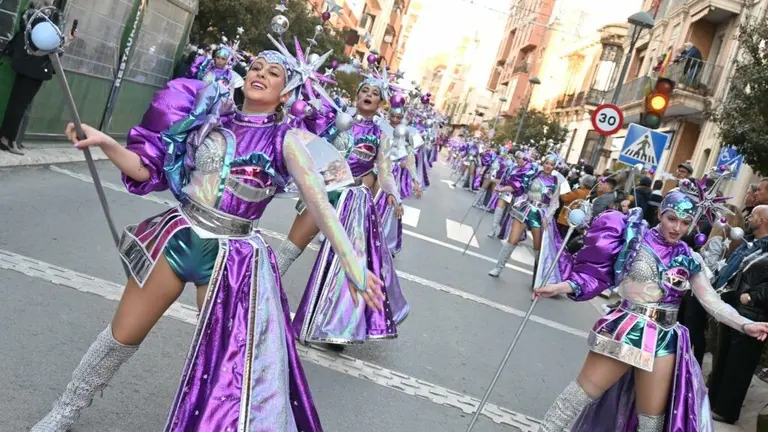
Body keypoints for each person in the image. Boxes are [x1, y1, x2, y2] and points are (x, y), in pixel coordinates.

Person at [32, 48, 385, 432]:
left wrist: (351, 263)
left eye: (273, 73)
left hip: (232, 258)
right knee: (121, 336)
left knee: (227, 364)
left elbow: (319, 202)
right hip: (179, 235)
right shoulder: (208, 119)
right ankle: (65, 411)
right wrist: (105, 142)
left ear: (286, 93)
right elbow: (146, 169)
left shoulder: (288, 140)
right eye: (256, 67)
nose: (261, 74)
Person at [533, 190, 768, 432]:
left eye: (685, 222)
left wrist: (744, 324)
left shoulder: (689, 257)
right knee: (576, 398)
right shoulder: (633, 239)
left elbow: (712, 301)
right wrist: (560, 287)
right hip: (626, 330)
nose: (677, 228)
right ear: (660, 214)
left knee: (651, 424)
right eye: (672, 218)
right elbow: (598, 275)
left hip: (664, 338)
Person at [277, 69, 409, 350]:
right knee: (291, 247)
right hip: (325, 192)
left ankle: (337, 329)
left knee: (343, 265)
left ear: (381, 103)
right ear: (356, 96)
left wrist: (393, 195)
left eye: (375, 94)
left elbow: (385, 171)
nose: (368, 96)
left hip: (353, 202)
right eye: (364, 91)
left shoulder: (381, 134)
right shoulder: (338, 119)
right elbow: (314, 145)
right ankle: (256, 296)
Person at [709, 205, 768, 424]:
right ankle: (714, 401)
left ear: (762, 220)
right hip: (735, 309)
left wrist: (753, 297)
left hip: (755, 314)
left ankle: (727, 410)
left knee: (740, 364)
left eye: (753, 216)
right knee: (724, 357)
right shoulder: (751, 244)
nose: (748, 218)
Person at [0, 0, 74, 155]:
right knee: (20, 105)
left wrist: (66, 40)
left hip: (27, 65)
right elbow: (49, 44)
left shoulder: (30, 17)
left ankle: (7, 138)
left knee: (17, 103)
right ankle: (9, 139)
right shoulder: (41, 19)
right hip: (34, 68)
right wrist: (65, 40)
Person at [488, 153, 565, 278]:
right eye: (547, 163)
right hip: (526, 209)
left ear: (554, 167)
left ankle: (538, 277)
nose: (548, 166)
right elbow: (517, 187)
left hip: (541, 214)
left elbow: (554, 203)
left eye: (551, 165)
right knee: (512, 240)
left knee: (538, 247)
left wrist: (547, 217)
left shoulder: (556, 182)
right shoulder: (533, 175)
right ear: (543, 163)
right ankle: (498, 268)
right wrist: (502, 189)